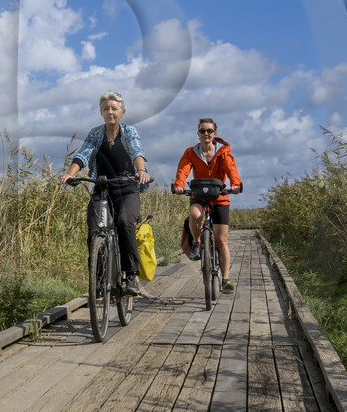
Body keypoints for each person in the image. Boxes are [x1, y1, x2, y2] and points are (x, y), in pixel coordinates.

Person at [58, 91, 151, 296]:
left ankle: (131, 275)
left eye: (114, 108)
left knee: (125, 222)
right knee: (95, 228)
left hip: (127, 188)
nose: (110, 112)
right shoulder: (95, 133)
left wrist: (141, 171)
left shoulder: (129, 132)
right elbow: (83, 154)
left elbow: (137, 152)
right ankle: (98, 278)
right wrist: (70, 174)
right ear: (101, 112)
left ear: (122, 112)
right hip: (102, 188)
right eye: (106, 109)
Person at [172, 118, 242, 293]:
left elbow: (231, 169)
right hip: (199, 195)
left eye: (209, 131)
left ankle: (225, 279)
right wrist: (179, 185)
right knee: (195, 216)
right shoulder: (191, 152)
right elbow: (183, 169)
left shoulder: (223, 152)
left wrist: (235, 184)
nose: (206, 134)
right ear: (198, 134)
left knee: (221, 241)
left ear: (214, 134)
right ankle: (196, 242)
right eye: (202, 131)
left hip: (220, 197)